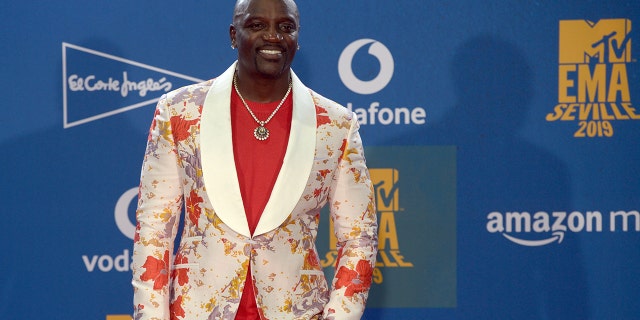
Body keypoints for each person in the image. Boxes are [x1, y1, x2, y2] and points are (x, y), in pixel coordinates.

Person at [131, 0, 378, 319]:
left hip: (298, 311)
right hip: (196, 310)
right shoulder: (179, 111)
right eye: (257, 25)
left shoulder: (335, 124)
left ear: (297, 39)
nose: (273, 36)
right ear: (234, 35)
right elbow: (154, 228)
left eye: (285, 27)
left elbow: (360, 235)